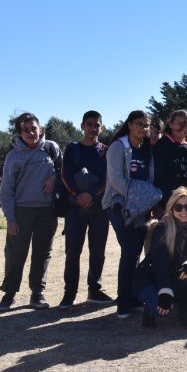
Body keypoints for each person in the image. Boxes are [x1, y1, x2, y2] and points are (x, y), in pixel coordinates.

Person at [0, 112, 61, 311]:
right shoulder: (13, 156)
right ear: (19, 133)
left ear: (40, 129)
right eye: (26, 130)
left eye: (34, 128)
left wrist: (54, 179)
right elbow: (6, 191)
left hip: (47, 211)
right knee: (15, 254)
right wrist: (11, 220)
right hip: (21, 211)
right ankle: (9, 294)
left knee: (42, 254)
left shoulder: (51, 148)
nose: (31, 132)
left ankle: (37, 294)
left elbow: (64, 171)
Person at [58, 110, 112, 308]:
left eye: (97, 125)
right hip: (75, 208)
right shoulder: (72, 148)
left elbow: (109, 178)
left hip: (99, 209)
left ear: (102, 127)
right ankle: (69, 294)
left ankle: (94, 290)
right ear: (82, 125)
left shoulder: (106, 151)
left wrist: (92, 195)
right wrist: (78, 195)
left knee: (98, 252)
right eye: (89, 124)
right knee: (73, 252)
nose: (93, 128)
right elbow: (65, 175)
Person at [102, 110, 154, 319]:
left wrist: (145, 199)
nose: (143, 128)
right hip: (119, 205)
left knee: (135, 252)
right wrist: (138, 197)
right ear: (130, 125)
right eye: (139, 124)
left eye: (146, 125)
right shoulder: (118, 147)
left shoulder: (146, 149)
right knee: (129, 251)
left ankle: (132, 297)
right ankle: (123, 302)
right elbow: (115, 179)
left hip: (140, 207)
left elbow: (148, 178)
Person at [134, 188, 187, 328]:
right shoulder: (162, 228)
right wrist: (165, 291)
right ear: (171, 208)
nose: (183, 211)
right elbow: (159, 264)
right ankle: (149, 310)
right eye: (178, 207)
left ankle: (185, 312)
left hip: (177, 278)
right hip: (152, 279)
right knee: (160, 310)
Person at [152, 109, 187, 215]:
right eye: (180, 124)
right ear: (170, 124)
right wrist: (167, 202)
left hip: (186, 203)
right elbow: (159, 177)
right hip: (165, 204)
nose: (184, 128)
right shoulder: (161, 145)